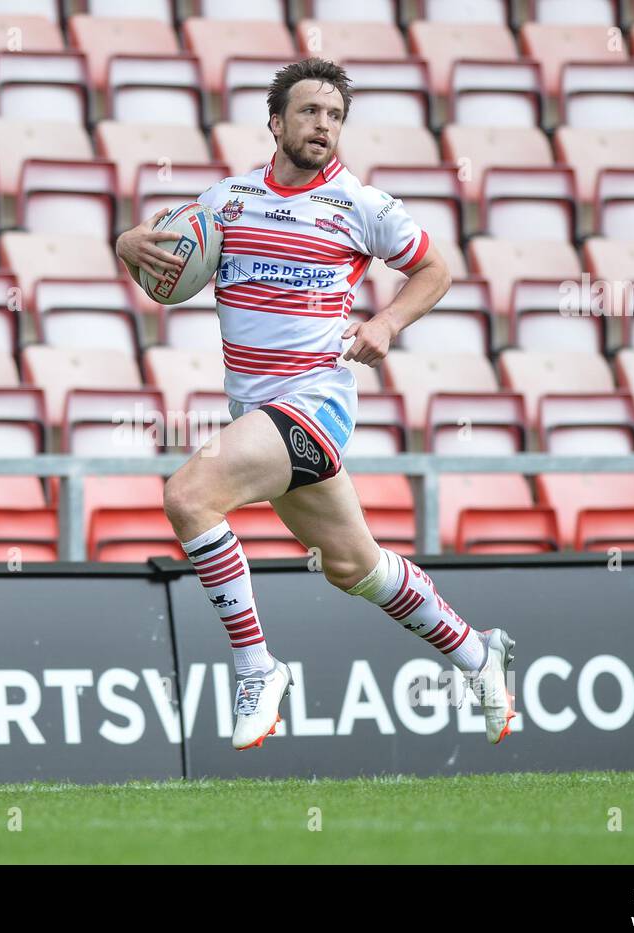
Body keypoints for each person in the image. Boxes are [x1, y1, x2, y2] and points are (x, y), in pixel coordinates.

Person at [115, 58, 515, 751]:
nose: (322, 125)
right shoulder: (228, 201)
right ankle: (480, 654)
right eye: (308, 112)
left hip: (314, 407)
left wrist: (387, 323)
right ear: (275, 122)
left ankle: (256, 668)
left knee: (188, 496)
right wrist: (127, 244)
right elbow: (161, 257)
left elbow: (435, 269)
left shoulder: (361, 205)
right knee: (354, 566)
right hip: (260, 416)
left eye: (333, 116)